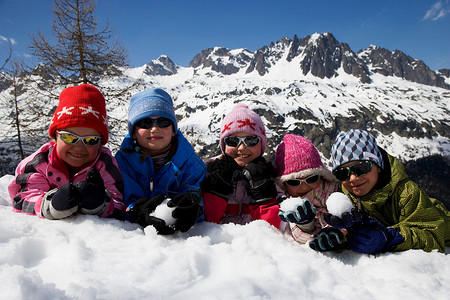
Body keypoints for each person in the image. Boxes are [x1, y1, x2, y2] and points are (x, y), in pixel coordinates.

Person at [8, 84, 125, 219]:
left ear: (100, 143)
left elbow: (118, 203)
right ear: (55, 137)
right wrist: (51, 204)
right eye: (69, 137)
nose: (79, 147)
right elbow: (24, 198)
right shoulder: (39, 163)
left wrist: (100, 202)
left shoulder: (104, 164)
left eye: (90, 140)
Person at [326, 129, 450, 253]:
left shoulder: (407, 194)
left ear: (378, 165)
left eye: (361, 168)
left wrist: (389, 237)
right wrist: (339, 235)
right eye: (342, 173)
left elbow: (434, 236)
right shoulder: (347, 196)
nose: (352, 178)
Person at [115, 88, 206, 235]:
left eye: (163, 122)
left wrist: (194, 209)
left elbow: (201, 200)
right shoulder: (120, 164)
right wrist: (134, 212)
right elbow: (115, 204)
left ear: (173, 129)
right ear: (133, 132)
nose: (155, 128)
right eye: (145, 123)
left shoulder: (192, 165)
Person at [201, 103, 282, 228]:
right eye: (233, 141)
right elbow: (202, 224)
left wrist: (264, 197)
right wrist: (215, 191)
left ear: (262, 144)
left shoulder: (272, 177)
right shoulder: (207, 172)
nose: (242, 148)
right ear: (224, 145)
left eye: (251, 140)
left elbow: (275, 228)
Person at [274, 134, 344, 250]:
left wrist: (336, 231)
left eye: (311, 179)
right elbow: (299, 237)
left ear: (322, 176)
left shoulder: (334, 192)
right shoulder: (287, 203)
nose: (303, 186)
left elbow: (346, 216)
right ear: (284, 184)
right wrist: (305, 225)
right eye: (294, 182)